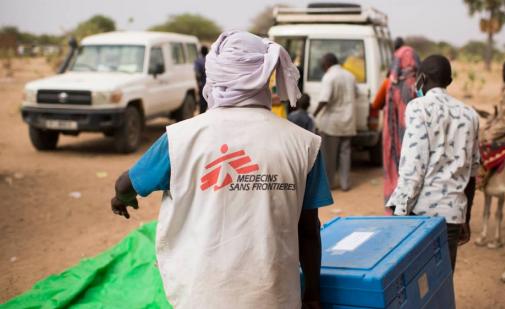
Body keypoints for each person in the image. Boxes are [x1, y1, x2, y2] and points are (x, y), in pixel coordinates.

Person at [110, 31, 333, 309]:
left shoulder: (180, 138)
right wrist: (312, 294)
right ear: (265, 76)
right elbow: (308, 230)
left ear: (214, 77)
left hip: (200, 296)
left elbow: (126, 184)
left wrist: (122, 198)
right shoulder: (305, 144)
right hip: (274, 298)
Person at [386, 55, 480, 272]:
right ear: (450, 81)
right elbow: (472, 174)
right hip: (452, 216)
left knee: (415, 284)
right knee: (441, 285)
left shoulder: (418, 107)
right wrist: (466, 217)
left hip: (420, 217)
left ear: (421, 79)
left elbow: (413, 167)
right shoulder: (470, 114)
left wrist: (399, 215)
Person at [383, 37, 420, 212]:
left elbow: (392, 77)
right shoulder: (412, 55)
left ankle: (396, 194)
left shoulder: (397, 59)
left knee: (395, 148)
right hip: (410, 123)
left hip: (395, 117)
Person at [313, 53, 357, 191]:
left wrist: (313, 115)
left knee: (329, 156)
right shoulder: (350, 76)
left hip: (332, 122)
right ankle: (345, 184)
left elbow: (324, 99)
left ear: (327, 64)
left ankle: (330, 184)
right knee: (345, 154)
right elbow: (357, 93)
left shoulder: (329, 77)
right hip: (348, 121)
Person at [194, 45, 208, 113]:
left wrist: (198, 83)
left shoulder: (198, 61)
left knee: (202, 105)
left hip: (202, 84)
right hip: (211, 84)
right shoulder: (210, 59)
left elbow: (197, 74)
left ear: (201, 52)